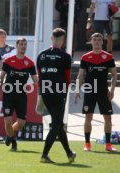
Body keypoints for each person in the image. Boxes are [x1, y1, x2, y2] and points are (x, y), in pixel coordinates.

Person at [36, 28, 76, 163]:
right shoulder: (65, 56)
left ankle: (69, 153)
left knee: (58, 124)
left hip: (46, 93)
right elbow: (68, 78)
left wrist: (40, 93)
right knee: (56, 125)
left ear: (51, 38)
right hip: (58, 94)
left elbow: (39, 76)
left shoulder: (41, 55)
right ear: (63, 40)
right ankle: (44, 155)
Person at [74, 32, 117, 152]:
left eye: (99, 40)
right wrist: (77, 90)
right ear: (91, 42)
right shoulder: (85, 57)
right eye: (95, 40)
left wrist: (112, 90)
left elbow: (114, 75)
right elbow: (81, 75)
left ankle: (108, 144)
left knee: (108, 118)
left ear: (102, 42)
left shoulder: (108, 57)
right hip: (89, 91)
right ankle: (87, 144)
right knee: (88, 117)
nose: (97, 42)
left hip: (104, 92)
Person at [0, 37, 37, 151]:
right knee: (8, 121)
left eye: (25, 44)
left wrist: (42, 88)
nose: (23, 46)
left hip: (21, 95)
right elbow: (1, 78)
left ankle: (10, 135)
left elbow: (35, 80)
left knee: (21, 123)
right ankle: (13, 141)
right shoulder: (9, 61)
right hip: (8, 94)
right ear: (17, 45)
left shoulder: (30, 63)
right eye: (21, 44)